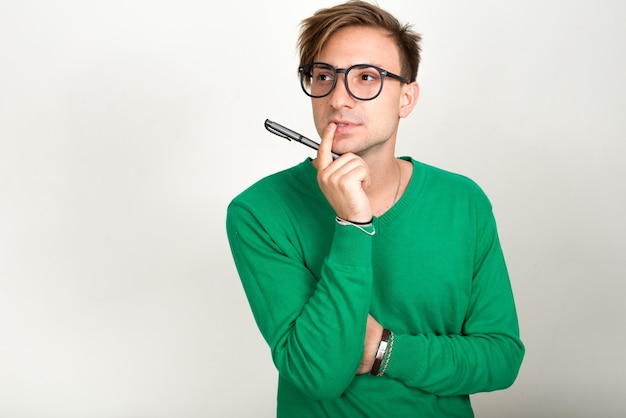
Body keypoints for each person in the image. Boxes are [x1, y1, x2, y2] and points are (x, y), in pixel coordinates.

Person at [226, 1, 524, 416]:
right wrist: (352, 225)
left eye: (366, 77)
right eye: (324, 76)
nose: (338, 98)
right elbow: (319, 376)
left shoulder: (463, 201)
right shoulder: (259, 211)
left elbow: (501, 359)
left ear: (407, 97)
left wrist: (385, 349)